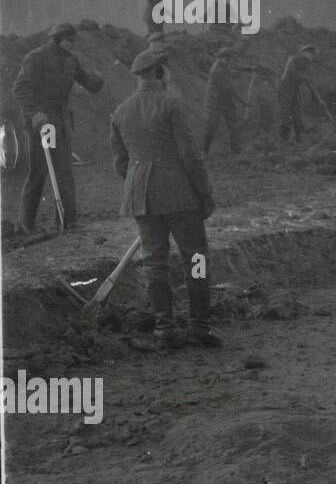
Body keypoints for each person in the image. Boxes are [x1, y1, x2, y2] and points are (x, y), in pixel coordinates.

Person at [109, 48, 220, 348]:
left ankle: (165, 329)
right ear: (160, 73)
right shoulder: (171, 104)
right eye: (166, 69)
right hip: (179, 196)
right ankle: (199, 326)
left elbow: (120, 162)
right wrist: (204, 194)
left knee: (154, 263)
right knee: (195, 258)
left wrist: (141, 183)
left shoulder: (120, 111)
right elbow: (190, 156)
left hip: (141, 199)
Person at [12, 22, 105, 231]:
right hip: (38, 122)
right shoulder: (36, 57)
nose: (73, 45)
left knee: (64, 171)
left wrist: (99, 80)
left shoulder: (71, 60)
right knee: (39, 172)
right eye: (70, 41)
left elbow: (88, 82)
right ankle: (26, 223)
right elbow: (20, 88)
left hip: (60, 121)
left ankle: (68, 222)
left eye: (74, 41)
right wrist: (34, 113)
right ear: (57, 39)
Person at [202, 48, 245, 155]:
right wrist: (242, 101)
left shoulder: (223, 65)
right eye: (227, 58)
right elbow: (230, 88)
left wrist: (245, 70)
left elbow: (230, 72)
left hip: (225, 101)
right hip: (214, 103)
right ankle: (204, 150)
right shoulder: (217, 70)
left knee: (233, 124)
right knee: (211, 127)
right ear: (221, 58)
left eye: (230, 58)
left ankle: (236, 150)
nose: (229, 61)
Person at [277, 44, 320, 142]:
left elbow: (309, 77)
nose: (312, 57)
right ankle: (284, 137)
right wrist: (302, 77)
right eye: (311, 54)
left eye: (313, 55)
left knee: (296, 111)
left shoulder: (306, 63)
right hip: (285, 88)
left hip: (294, 90)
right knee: (285, 112)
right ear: (304, 52)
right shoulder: (293, 59)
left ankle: (299, 134)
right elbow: (290, 72)